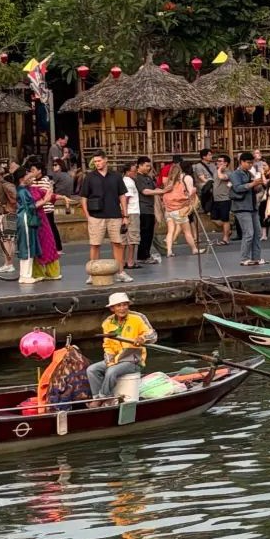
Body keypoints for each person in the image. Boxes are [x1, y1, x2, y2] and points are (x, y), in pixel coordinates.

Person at [88, 292, 157, 400]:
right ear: (112, 308)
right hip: (116, 359)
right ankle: (97, 396)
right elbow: (107, 346)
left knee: (111, 371)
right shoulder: (107, 323)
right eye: (119, 305)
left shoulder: (138, 318)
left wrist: (142, 338)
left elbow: (152, 335)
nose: (122, 308)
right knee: (92, 370)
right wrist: (110, 362)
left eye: (125, 305)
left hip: (133, 359)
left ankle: (102, 398)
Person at [81, 154, 132, 284]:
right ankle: (93, 273)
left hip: (114, 214)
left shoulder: (116, 176)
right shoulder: (90, 177)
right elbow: (84, 197)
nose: (97, 163)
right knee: (95, 244)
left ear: (105, 160)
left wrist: (125, 215)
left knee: (117, 243)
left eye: (99, 160)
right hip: (96, 215)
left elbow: (122, 196)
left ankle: (120, 272)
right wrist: (87, 216)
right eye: (95, 161)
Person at [160, 157, 203, 259]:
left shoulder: (170, 182)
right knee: (187, 231)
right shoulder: (183, 180)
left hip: (169, 210)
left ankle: (169, 250)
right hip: (179, 209)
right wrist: (194, 190)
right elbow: (188, 194)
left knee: (170, 231)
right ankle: (194, 249)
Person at [229, 152, 266, 265]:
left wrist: (259, 184)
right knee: (249, 233)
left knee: (257, 233)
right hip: (241, 207)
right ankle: (244, 258)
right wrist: (252, 184)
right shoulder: (235, 174)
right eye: (248, 163)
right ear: (242, 162)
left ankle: (256, 257)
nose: (250, 165)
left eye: (252, 163)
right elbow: (237, 188)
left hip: (252, 206)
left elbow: (255, 189)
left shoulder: (249, 173)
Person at [211, 154, 233, 244]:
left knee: (225, 219)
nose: (218, 162)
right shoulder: (216, 172)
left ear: (226, 163)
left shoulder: (228, 173)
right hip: (216, 198)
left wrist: (220, 169)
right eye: (218, 161)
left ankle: (225, 238)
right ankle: (228, 230)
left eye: (220, 161)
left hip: (225, 198)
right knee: (214, 219)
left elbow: (221, 177)